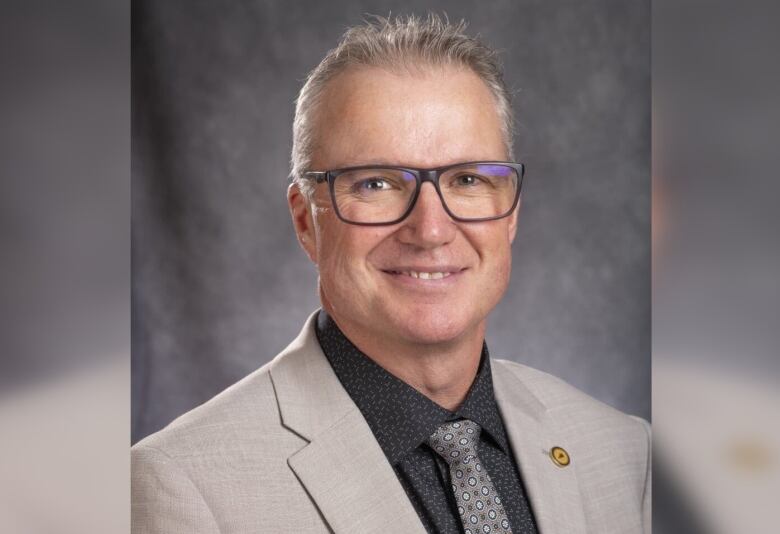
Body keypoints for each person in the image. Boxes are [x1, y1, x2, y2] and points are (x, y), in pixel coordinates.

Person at [132, 15, 650, 534]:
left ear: (510, 211)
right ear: (305, 219)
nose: (430, 230)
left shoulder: (623, 453)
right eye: (376, 184)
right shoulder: (185, 489)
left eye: (467, 179)